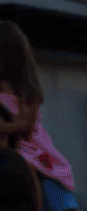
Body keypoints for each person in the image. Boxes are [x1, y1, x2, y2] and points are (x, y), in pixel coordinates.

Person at [0, 22, 74, 194]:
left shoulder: (27, 88)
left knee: (30, 174)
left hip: (29, 147)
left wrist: (4, 128)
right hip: (15, 147)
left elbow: (28, 127)